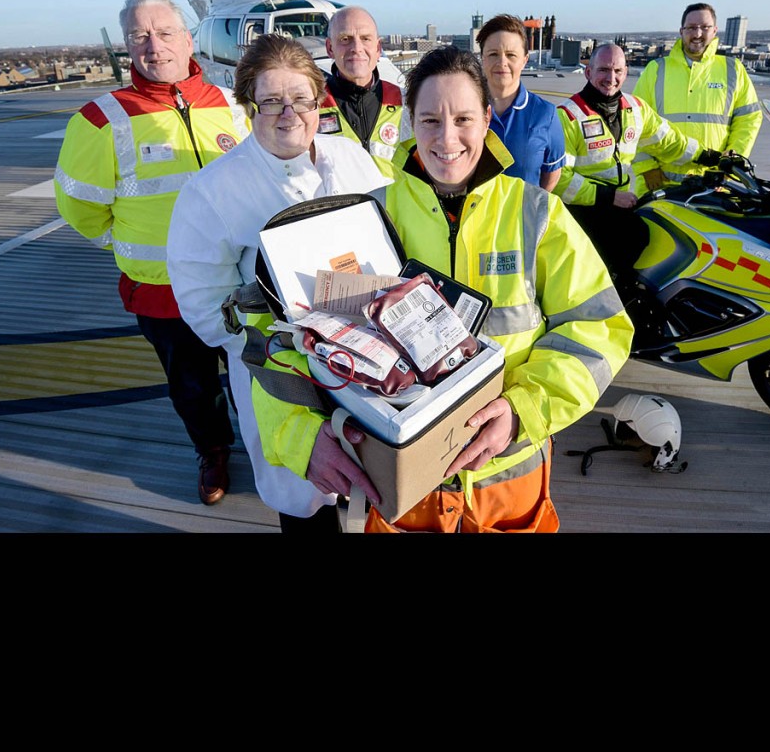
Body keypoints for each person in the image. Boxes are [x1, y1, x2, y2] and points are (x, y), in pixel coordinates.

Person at [251, 45, 634, 533]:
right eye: (430, 120)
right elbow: (279, 337)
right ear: (410, 121)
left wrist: (524, 409)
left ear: (488, 118)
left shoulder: (537, 216)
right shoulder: (365, 220)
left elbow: (600, 328)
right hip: (400, 482)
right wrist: (300, 436)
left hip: (507, 479)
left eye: (464, 119)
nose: (447, 138)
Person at [166, 33, 393, 533]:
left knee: (379, 491)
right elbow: (206, 310)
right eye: (271, 100)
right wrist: (284, 330)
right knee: (309, 506)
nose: (288, 114)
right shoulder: (211, 193)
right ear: (249, 107)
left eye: (300, 99)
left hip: (374, 358)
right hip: (284, 377)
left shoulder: (351, 158)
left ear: (319, 100)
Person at [54, 0, 249, 507]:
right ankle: (212, 450)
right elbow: (78, 205)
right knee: (191, 385)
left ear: (189, 39)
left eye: (164, 32)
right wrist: (123, 245)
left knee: (254, 375)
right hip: (162, 290)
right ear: (126, 45)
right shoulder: (101, 119)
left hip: (242, 281)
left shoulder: (232, 105)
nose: (154, 45)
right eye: (139, 35)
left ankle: (264, 441)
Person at [554, 43, 719, 297]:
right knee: (636, 237)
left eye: (618, 70)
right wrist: (609, 197)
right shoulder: (568, 117)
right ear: (588, 72)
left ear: (626, 72)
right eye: (603, 70)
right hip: (584, 207)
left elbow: (671, 142)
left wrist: (709, 157)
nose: (611, 78)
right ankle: (609, 301)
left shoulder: (635, 109)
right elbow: (560, 180)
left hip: (621, 202)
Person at [632, 3, 762, 193]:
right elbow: (634, 122)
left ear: (715, 30)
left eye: (705, 27)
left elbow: (748, 120)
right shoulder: (657, 69)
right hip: (660, 182)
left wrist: (732, 159)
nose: (698, 34)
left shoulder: (733, 70)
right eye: (691, 28)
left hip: (714, 184)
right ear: (681, 31)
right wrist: (646, 167)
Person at [476, 13, 564, 190]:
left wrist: (533, 207)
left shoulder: (545, 114)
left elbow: (552, 172)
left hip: (522, 217)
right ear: (482, 59)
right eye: (493, 54)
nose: (502, 62)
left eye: (511, 55)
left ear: (524, 60)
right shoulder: (466, 110)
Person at [318, 5, 411, 161]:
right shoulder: (312, 105)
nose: (356, 48)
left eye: (365, 38)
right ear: (330, 48)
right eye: (345, 39)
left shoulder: (405, 102)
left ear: (378, 48)